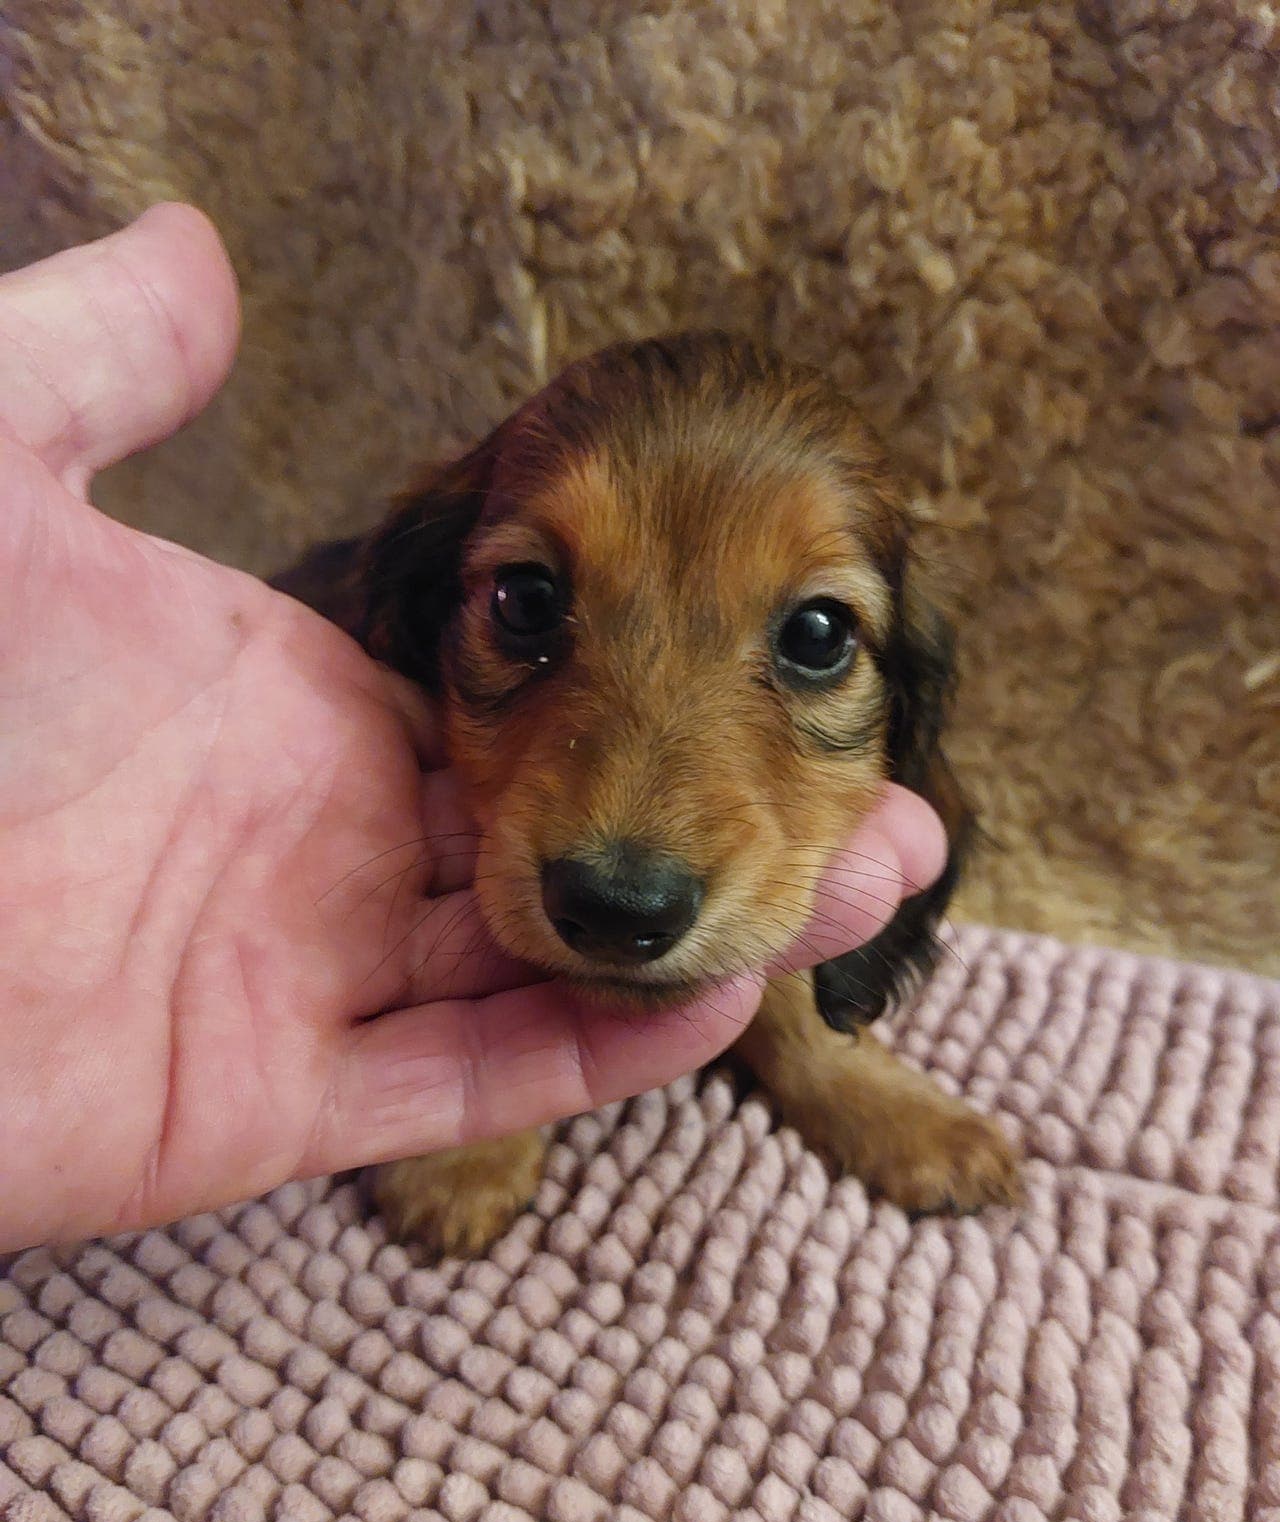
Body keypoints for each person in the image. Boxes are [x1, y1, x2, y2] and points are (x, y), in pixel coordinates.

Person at [0, 204, 948, 1253]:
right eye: (531, 604)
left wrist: (818, 1046)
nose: (631, 821)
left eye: (814, 636)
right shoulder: (339, 671)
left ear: (904, 687)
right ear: (424, 609)